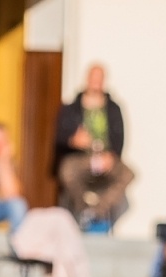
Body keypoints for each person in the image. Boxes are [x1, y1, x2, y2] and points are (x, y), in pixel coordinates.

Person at [54, 64, 134, 232]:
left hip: (106, 158)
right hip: (81, 158)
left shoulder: (113, 109)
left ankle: (97, 212)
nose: (96, 83)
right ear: (87, 79)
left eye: (100, 79)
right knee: (67, 171)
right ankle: (83, 210)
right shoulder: (71, 108)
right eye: (93, 78)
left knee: (128, 174)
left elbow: (120, 138)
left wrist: (111, 157)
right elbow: (59, 137)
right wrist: (73, 141)